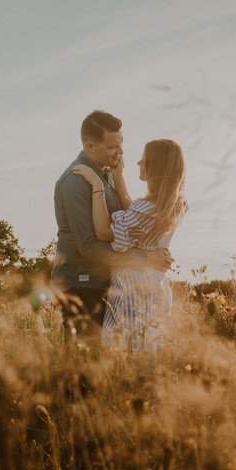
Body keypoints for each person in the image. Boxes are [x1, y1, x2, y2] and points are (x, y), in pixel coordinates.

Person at [50, 110, 173, 344]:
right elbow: (88, 246)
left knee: (105, 366)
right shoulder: (76, 180)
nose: (121, 152)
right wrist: (144, 257)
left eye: (121, 144)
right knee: (85, 367)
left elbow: (128, 221)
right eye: (112, 147)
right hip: (81, 284)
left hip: (101, 282)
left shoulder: (106, 175)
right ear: (90, 146)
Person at [72, 138, 187, 351]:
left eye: (143, 161)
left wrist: (97, 185)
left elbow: (105, 232)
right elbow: (133, 213)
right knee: (147, 351)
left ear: (155, 168)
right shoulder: (176, 204)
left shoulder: (145, 210)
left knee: (128, 356)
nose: (138, 164)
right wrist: (118, 176)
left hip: (132, 293)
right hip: (155, 287)